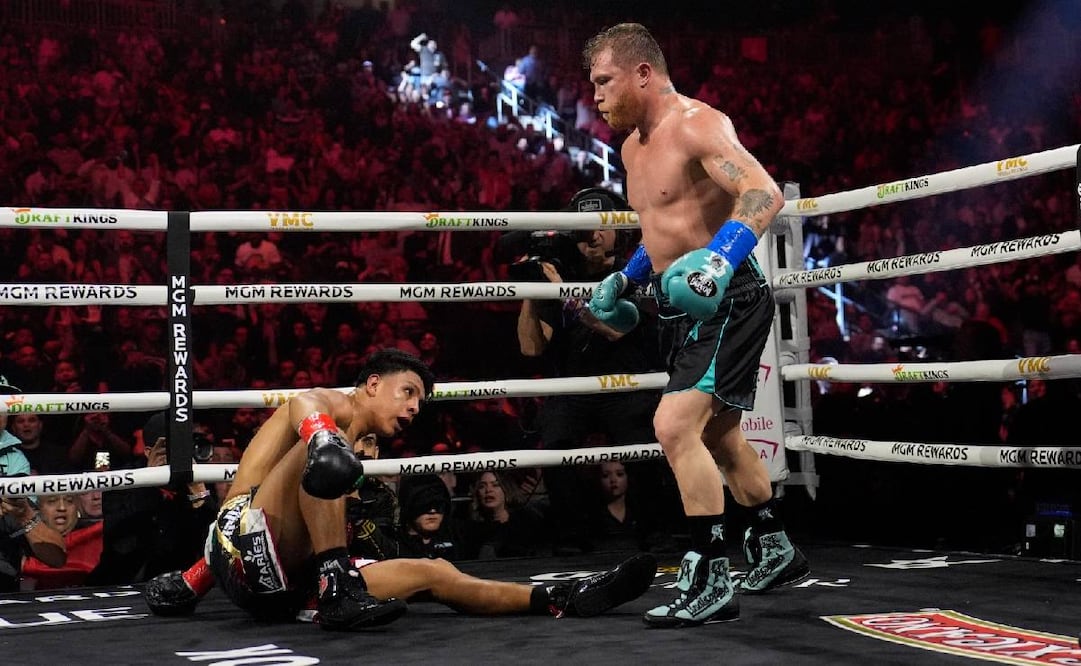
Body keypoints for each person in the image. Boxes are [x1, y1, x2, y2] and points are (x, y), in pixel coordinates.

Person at [144, 350, 657, 626]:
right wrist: (322, 437)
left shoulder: (359, 452)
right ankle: (338, 587)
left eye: (420, 403)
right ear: (372, 384)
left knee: (435, 572)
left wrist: (189, 586)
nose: (414, 408)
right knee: (327, 447)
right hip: (243, 547)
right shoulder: (333, 410)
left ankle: (562, 598)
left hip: (290, 589)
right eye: (407, 392)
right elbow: (304, 404)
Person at [583, 23, 808, 628]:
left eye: (604, 81)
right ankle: (773, 545)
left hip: (727, 296)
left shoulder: (698, 124)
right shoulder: (632, 149)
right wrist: (627, 277)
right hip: (677, 306)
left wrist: (719, 259)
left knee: (674, 425)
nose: (596, 96)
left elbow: (762, 192)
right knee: (721, 434)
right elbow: (663, 229)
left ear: (642, 73)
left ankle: (710, 575)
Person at [513, 187, 675, 555]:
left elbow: (613, 328)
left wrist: (561, 291)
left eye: (602, 225)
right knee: (555, 440)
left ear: (619, 231)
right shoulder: (559, 272)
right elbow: (531, 348)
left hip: (626, 383)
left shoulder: (634, 271)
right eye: (586, 226)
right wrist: (532, 290)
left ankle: (655, 530)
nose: (594, 234)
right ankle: (571, 534)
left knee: (642, 441)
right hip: (573, 387)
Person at [87, 412, 219, 584]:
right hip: (124, 581)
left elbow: (212, 544)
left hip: (179, 582)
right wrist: (151, 481)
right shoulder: (123, 481)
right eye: (171, 448)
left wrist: (198, 489)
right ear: (149, 452)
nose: (179, 454)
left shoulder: (197, 478)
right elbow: (125, 548)